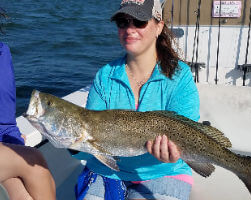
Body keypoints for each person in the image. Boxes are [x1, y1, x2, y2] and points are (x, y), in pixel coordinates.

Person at [74, 0, 200, 199]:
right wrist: (70, 141)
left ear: (159, 26)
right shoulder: (104, 75)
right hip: (107, 171)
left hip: (163, 171)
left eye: (139, 21)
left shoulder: (180, 75)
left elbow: (189, 131)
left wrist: (174, 152)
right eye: (123, 22)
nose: (129, 29)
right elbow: (88, 143)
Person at [0, 8, 56, 200]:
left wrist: (14, 143)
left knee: (21, 194)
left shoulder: (2, 53)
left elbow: (5, 122)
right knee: (34, 160)